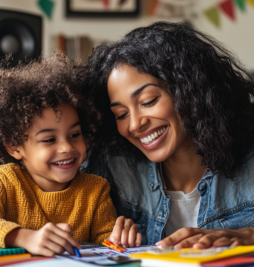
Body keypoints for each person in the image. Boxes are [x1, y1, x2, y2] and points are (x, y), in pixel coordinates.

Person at [80, 22, 254, 249]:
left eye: (148, 101)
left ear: (190, 91)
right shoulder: (109, 167)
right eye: (121, 114)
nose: (135, 124)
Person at [0, 53, 142, 256]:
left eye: (74, 134)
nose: (66, 148)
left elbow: (106, 246)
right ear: (14, 147)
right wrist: (24, 237)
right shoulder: (5, 181)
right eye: (49, 140)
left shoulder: (95, 191)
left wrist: (119, 240)